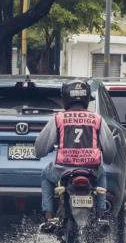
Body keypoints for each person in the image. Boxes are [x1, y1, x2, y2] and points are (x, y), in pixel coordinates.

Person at [34, 81, 117, 233]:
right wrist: (107, 159)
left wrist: (39, 153)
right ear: (86, 99)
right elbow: (110, 151)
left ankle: (48, 217)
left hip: (62, 170)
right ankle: (100, 214)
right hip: (91, 170)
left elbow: (40, 148)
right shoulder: (97, 119)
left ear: (65, 98)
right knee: (102, 173)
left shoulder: (58, 118)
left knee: (45, 175)